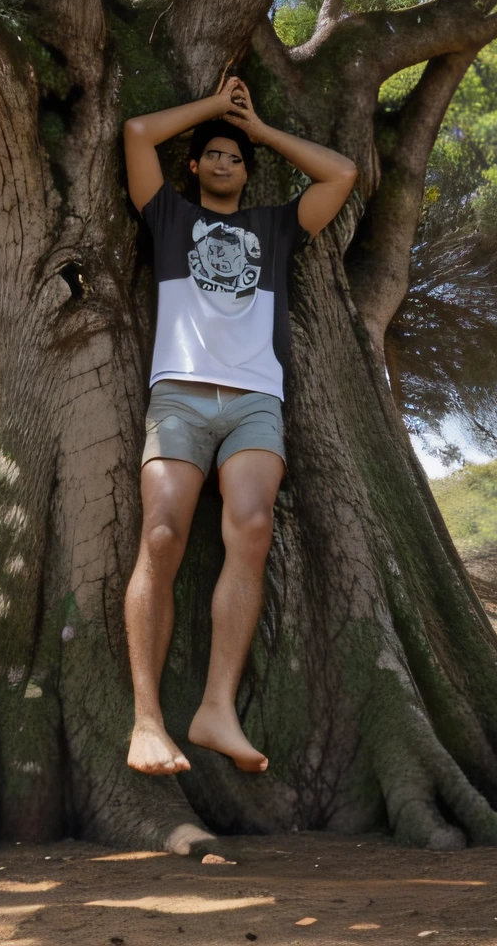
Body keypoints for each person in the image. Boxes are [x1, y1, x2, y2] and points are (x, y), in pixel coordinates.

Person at [122, 76, 358, 776]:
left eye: (236, 156)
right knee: (162, 534)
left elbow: (341, 173)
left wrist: (257, 128)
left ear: (248, 168)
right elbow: (138, 132)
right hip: (180, 397)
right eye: (214, 154)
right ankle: (146, 719)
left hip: (256, 398)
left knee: (252, 527)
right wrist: (214, 110)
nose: (226, 162)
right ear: (194, 167)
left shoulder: (276, 228)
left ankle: (216, 709)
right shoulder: (168, 216)